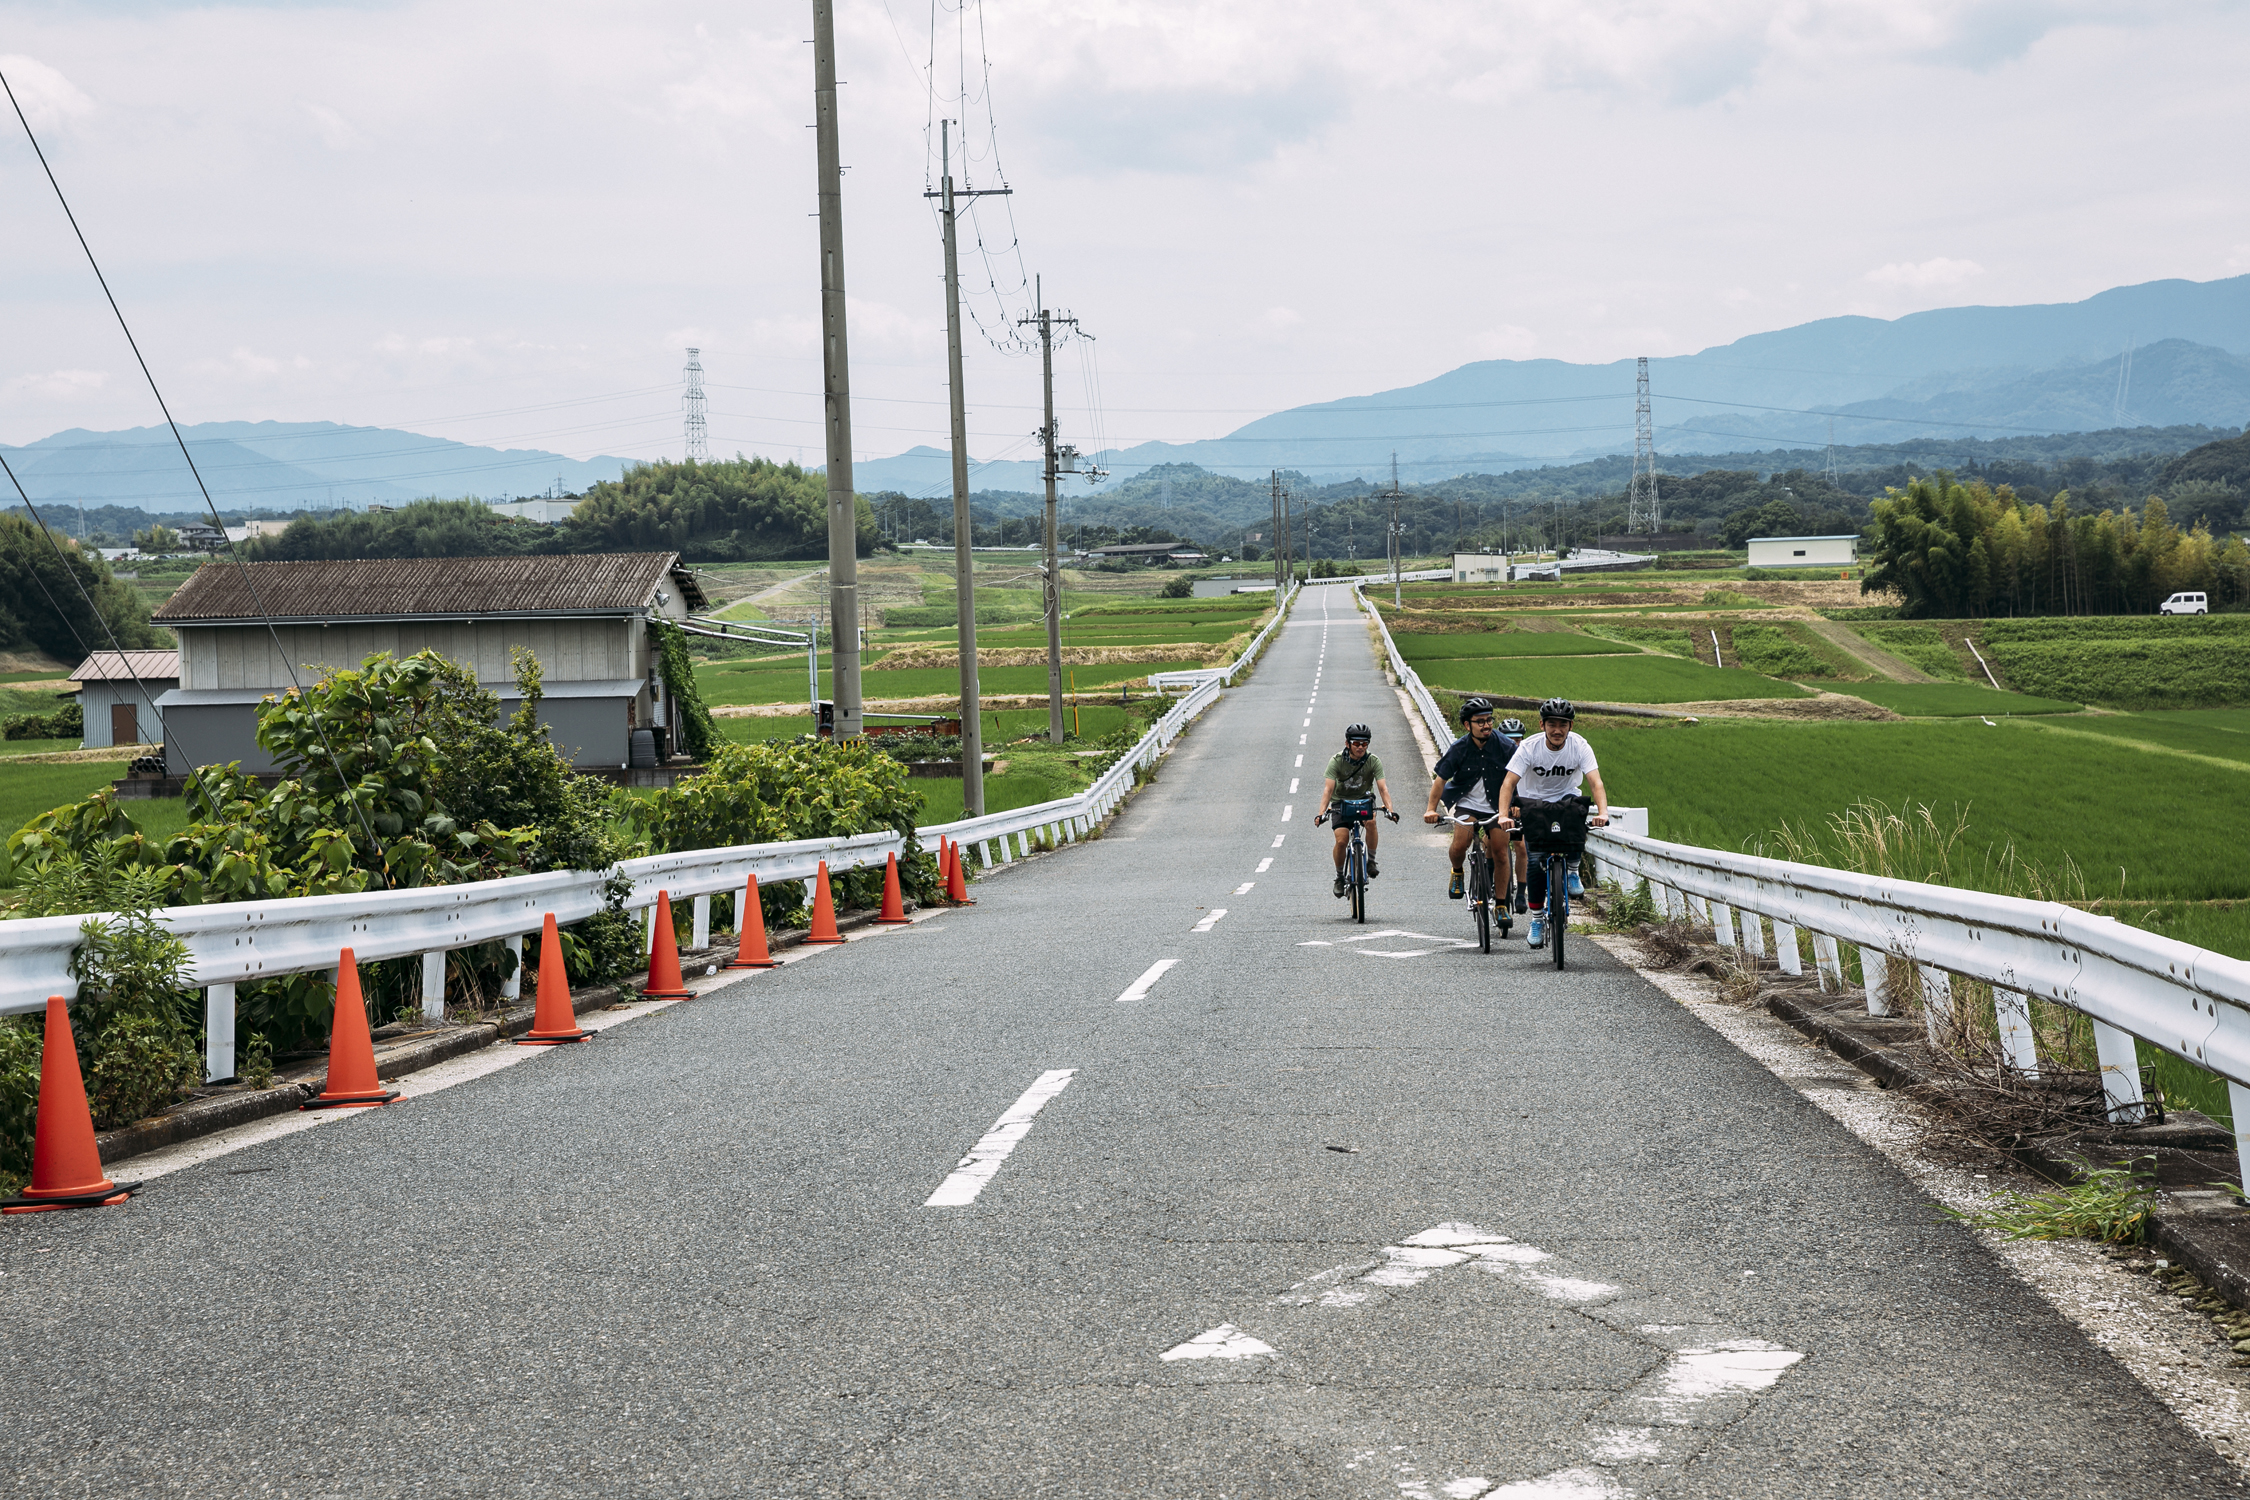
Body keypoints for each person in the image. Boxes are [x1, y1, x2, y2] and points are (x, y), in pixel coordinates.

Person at [1497, 698, 1611, 949]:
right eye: (1551, 724)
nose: (1557, 730)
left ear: (1570, 726)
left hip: (1565, 798)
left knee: (1576, 819)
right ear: (1542, 725)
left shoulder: (1580, 745)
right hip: (1534, 803)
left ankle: (1572, 870)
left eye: (1562, 724)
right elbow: (1508, 782)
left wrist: (1602, 811)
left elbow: (1595, 782)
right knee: (1535, 863)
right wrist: (1504, 814)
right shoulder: (1528, 747)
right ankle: (1537, 920)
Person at [1423, 697, 1520, 901]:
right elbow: (1440, 779)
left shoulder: (1506, 746)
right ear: (1468, 725)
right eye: (1480, 721)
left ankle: (1501, 904)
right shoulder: (1459, 748)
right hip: (1467, 804)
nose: (1486, 726)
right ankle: (1457, 871)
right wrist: (1431, 809)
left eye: (1489, 720)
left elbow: (1519, 778)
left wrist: (1517, 804)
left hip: (1498, 807)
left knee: (1501, 853)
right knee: (1460, 844)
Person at [1317, 723, 1397, 897]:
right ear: (1347, 744)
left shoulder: (1373, 761)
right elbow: (1328, 790)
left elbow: (1383, 788)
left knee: (1371, 821)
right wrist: (1321, 812)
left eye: (1364, 744)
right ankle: (1339, 877)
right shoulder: (1336, 761)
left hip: (1364, 800)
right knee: (1341, 841)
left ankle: (1371, 862)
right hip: (1340, 802)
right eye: (1356, 743)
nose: (1360, 747)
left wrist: (1390, 810)